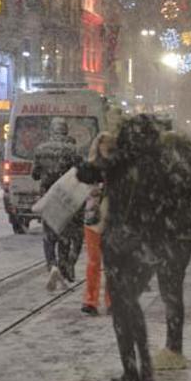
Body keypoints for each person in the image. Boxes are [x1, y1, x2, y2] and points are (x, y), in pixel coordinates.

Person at [77, 114, 163, 381]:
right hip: (150, 245)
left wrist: (98, 157)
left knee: (122, 310)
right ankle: (146, 367)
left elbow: (85, 173)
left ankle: (131, 371)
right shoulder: (156, 163)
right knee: (132, 304)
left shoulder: (122, 160)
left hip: (120, 243)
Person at [152, 130, 191, 372]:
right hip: (185, 234)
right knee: (173, 289)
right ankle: (174, 346)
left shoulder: (168, 170)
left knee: (170, 291)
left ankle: (173, 349)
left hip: (168, 234)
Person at [32, 117, 84, 289]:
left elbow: (35, 175)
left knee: (49, 237)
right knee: (65, 236)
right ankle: (64, 267)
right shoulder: (73, 150)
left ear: (52, 130)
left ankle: (52, 265)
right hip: (67, 197)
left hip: (49, 197)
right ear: (65, 130)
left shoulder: (41, 149)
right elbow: (81, 174)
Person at [81, 133, 114, 316]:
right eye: (102, 144)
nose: (105, 148)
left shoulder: (119, 167)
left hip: (112, 220)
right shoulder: (90, 166)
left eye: (108, 145)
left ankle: (111, 301)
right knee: (94, 261)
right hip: (93, 218)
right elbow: (81, 186)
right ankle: (90, 300)